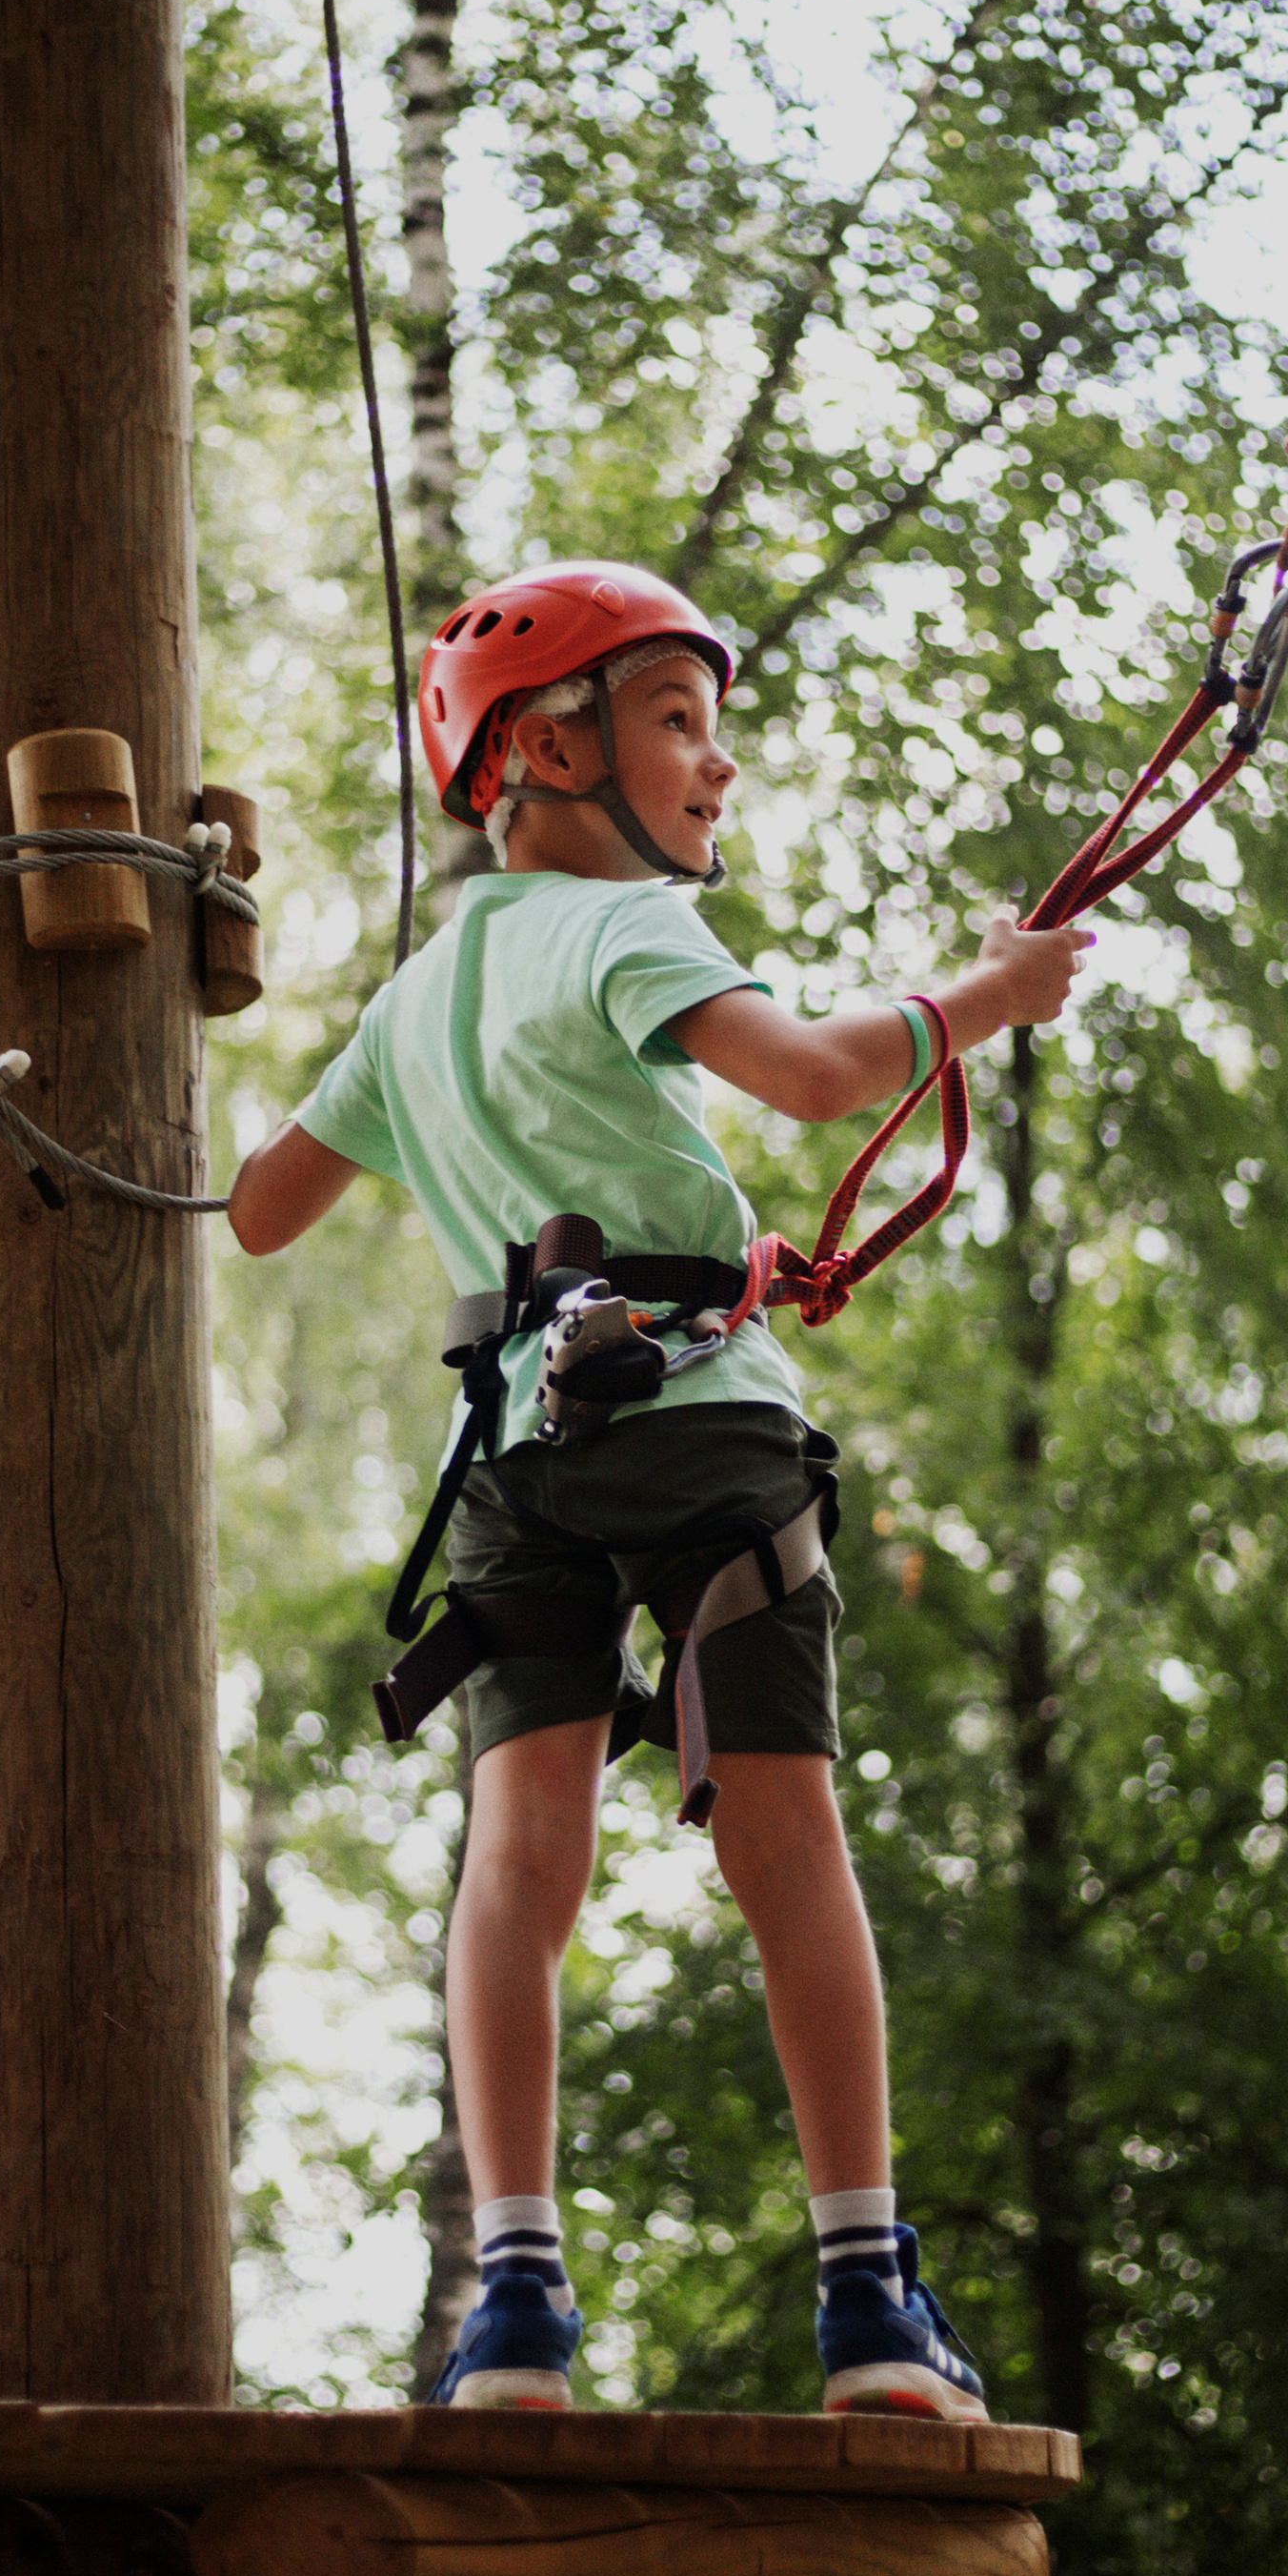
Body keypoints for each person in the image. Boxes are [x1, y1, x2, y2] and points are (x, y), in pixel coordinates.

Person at [228, 561, 1092, 2419]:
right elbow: (807, 1077)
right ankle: (868, 2304)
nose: (713, 768)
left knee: (515, 1862)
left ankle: (511, 2315)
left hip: (521, 1458)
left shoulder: (415, 997)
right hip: (702, 1434)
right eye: (676, 720)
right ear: (546, 751)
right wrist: (983, 998)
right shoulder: (618, 927)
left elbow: (258, 1211)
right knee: (783, 1845)